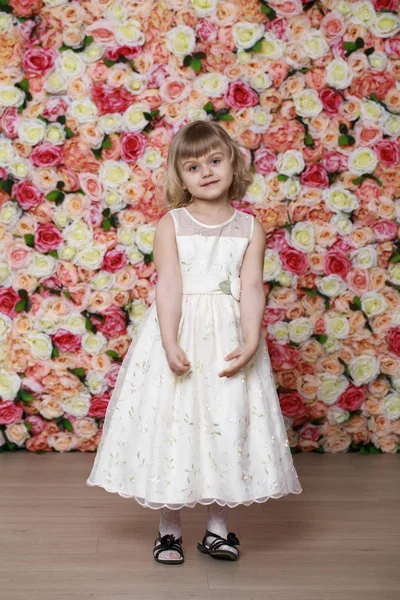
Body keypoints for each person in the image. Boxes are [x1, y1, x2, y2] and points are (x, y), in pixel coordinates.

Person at [86, 120, 302, 565]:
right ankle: (168, 530)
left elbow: (253, 287)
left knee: (225, 423)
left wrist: (250, 339)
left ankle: (217, 530)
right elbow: (167, 285)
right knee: (175, 423)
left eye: (215, 161)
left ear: (232, 164)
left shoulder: (249, 227)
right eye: (192, 166)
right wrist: (168, 341)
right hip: (181, 332)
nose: (205, 172)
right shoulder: (172, 224)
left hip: (225, 337)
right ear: (179, 176)